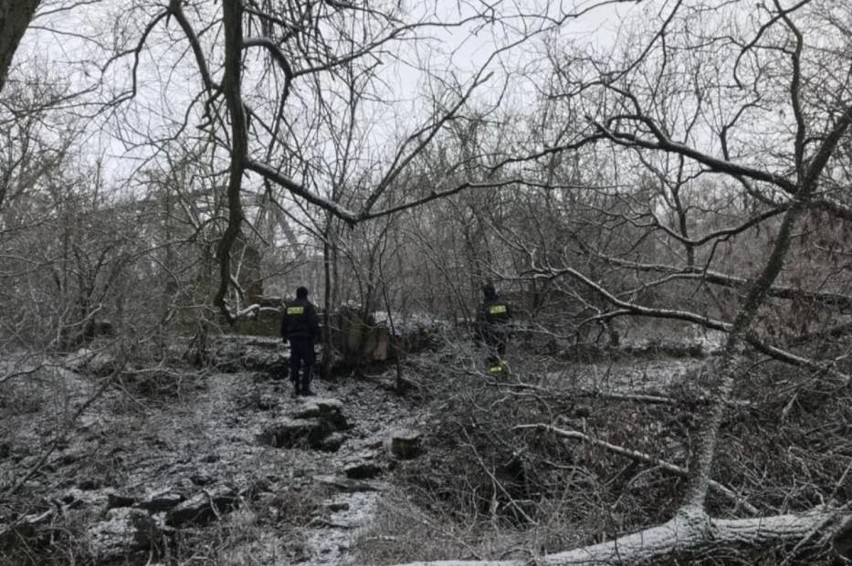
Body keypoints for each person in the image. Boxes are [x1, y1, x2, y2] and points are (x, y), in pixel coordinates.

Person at [280, 286, 321, 396]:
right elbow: (313, 323)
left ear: (297, 294)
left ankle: (296, 387)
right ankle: (305, 388)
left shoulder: (289, 307)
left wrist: (284, 336)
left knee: (295, 363)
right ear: (306, 294)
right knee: (308, 363)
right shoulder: (308, 306)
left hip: (293, 339)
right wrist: (317, 335)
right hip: (306, 339)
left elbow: (284, 322)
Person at [478, 282, 512, 374]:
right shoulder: (503, 303)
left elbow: (480, 323)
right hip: (503, 333)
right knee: (501, 355)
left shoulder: (485, 306)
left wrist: (478, 339)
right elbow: (510, 317)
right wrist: (510, 333)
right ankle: (502, 372)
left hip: (491, 335)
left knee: (493, 356)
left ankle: (495, 375)